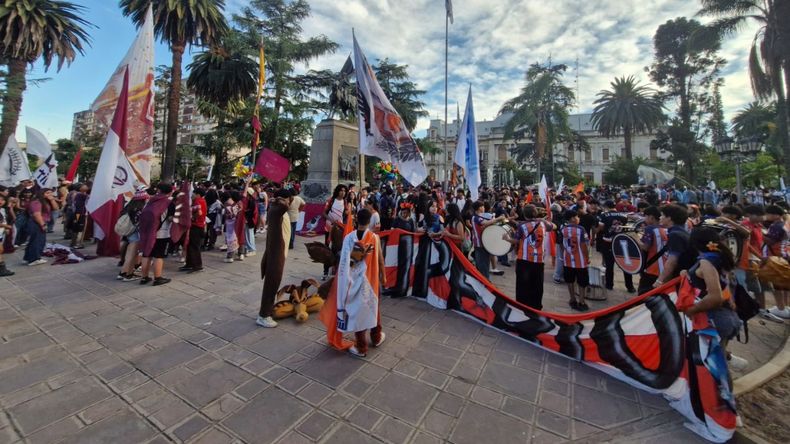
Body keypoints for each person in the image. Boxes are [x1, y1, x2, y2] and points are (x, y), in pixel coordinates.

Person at [682, 227, 745, 370]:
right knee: (717, 358)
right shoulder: (721, 256)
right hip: (728, 315)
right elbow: (724, 285)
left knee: (712, 364)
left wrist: (692, 310)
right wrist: (688, 274)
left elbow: (715, 297)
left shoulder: (707, 261)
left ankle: (720, 389)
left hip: (714, 318)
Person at [335, 208, 386, 357]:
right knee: (373, 306)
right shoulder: (374, 238)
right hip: (371, 280)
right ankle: (376, 338)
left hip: (353, 282)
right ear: (369, 221)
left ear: (357, 219)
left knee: (356, 311)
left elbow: (345, 262)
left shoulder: (349, 238)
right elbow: (380, 259)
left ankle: (361, 347)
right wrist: (383, 276)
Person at [505, 204, 555, 310]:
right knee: (537, 285)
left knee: (523, 285)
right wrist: (542, 219)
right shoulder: (542, 223)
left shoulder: (522, 226)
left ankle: (522, 306)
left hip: (524, 259)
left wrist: (507, 238)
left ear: (524, 214)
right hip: (539, 260)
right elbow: (554, 227)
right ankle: (536, 306)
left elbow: (517, 240)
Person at [137, 182, 174, 286]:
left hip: (147, 232)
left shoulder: (150, 200)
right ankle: (158, 278)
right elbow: (170, 218)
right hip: (161, 233)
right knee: (158, 255)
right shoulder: (169, 202)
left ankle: (144, 277)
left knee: (146, 254)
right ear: (170, 192)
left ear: (158, 190)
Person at [596, 200, 635, 293]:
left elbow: (600, 227)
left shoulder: (604, 215)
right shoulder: (624, 215)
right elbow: (627, 228)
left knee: (609, 265)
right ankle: (630, 286)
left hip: (608, 242)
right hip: (621, 242)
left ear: (606, 206)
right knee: (625, 264)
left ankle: (609, 284)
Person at [654, 204, 696, 287]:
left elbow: (672, 261)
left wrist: (660, 281)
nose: (660, 217)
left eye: (662, 215)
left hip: (681, 278)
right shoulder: (682, 233)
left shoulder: (675, 235)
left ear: (669, 218)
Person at [764, 205, 790, 319]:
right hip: (786, 255)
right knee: (785, 284)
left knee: (778, 284)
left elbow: (770, 241)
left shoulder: (776, 226)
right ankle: (785, 306)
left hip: (778, 256)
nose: (766, 216)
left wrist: (760, 233)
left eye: (768, 213)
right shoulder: (785, 223)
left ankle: (780, 308)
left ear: (776, 215)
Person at [118, 189, 149, 281]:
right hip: (135, 235)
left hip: (128, 233)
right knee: (131, 255)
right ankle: (128, 274)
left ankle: (123, 272)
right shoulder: (140, 210)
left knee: (129, 255)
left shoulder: (129, 207)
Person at [561, 210, 590, 311]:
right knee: (582, 282)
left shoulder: (563, 229)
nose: (578, 218)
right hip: (580, 261)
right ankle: (581, 301)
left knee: (570, 280)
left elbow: (562, 244)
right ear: (572, 218)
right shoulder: (581, 229)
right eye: (577, 216)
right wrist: (587, 257)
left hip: (567, 259)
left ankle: (572, 299)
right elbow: (584, 245)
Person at [471, 201, 507, 279]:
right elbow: (485, 223)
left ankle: (484, 282)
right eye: (482, 206)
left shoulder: (480, 217)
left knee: (484, 265)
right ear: (479, 208)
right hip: (479, 244)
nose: (484, 208)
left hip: (484, 243)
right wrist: (498, 218)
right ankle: (486, 283)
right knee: (482, 266)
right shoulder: (475, 217)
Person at [24, 189, 59, 266]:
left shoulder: (46, 202)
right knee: (37, 241)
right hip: (36, 223)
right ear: (42, 194)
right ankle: (34, 259)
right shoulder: (36, 202)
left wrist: (52, 200)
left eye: (51, 193)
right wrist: (42, 225)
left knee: (36, 240)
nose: (50, 194)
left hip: (40, 222)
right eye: (47, 193)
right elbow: (37, 215)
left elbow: (56, 208)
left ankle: (29, 257)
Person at [181, 187, 207, 273]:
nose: (192, 195)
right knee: (190, 246)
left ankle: (197, 265)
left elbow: (199, 213)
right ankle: (190, 264)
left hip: (196, 226)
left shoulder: (198, 201)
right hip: (199, 226)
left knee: (194, 246)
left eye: (193, 193)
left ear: (198, 194)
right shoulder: (202, 201)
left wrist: (191, 218)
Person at [223, 191, 242, 263]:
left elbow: (229, 216)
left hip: (230, 224)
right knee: (234, 238)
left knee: (230, 239)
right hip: (236, 223)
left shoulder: (227, 205)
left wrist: (225, 215)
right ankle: (239, 253)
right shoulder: (236, 204)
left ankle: (230, 256)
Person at [0, 194, 14, 276]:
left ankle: (2, 269)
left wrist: (5, 228)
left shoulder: (2, 210)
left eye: (2, 200)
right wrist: (6, 226)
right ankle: (2, 270)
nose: (0, 201)